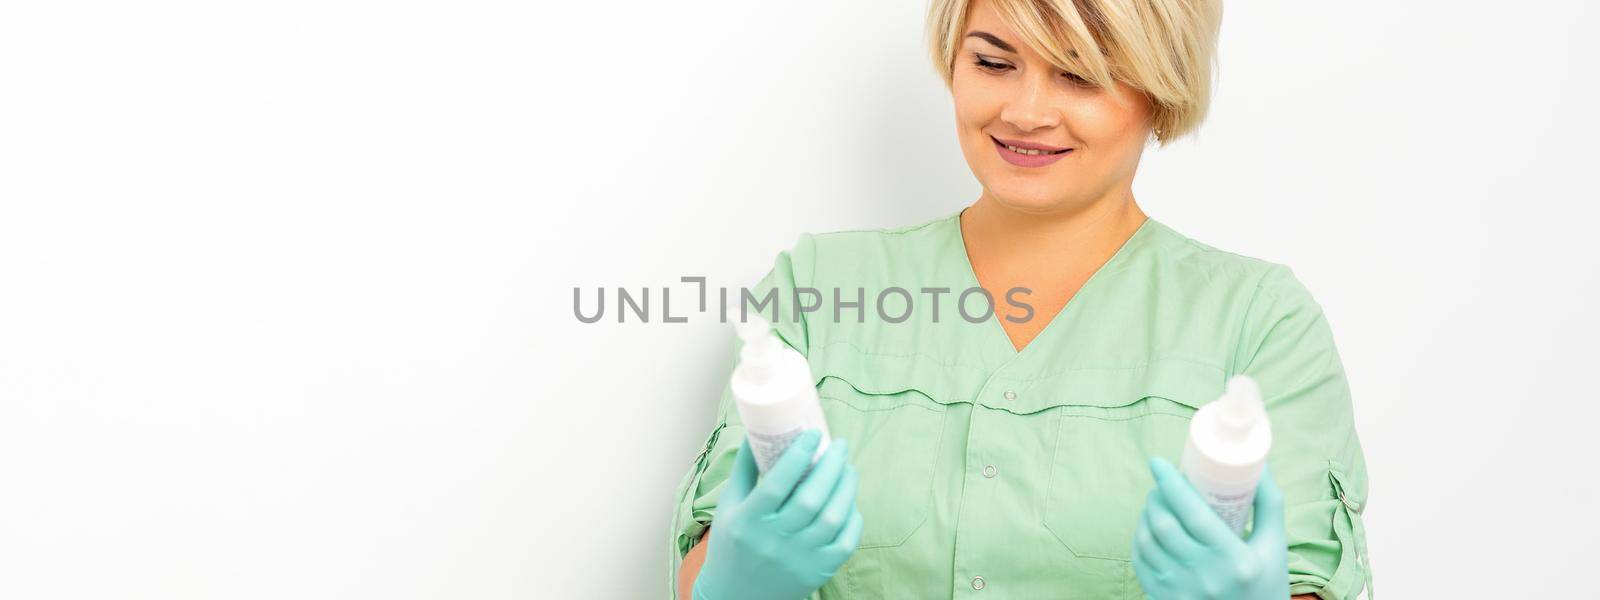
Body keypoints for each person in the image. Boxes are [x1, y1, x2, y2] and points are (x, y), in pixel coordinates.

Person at [669, 0, 1371, 597]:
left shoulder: (1258, 324)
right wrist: (733, 584)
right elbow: (701, 563)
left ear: (1162, 83)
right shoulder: (820, 288)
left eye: (1080, 73)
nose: (1027, 111)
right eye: (994, 63)